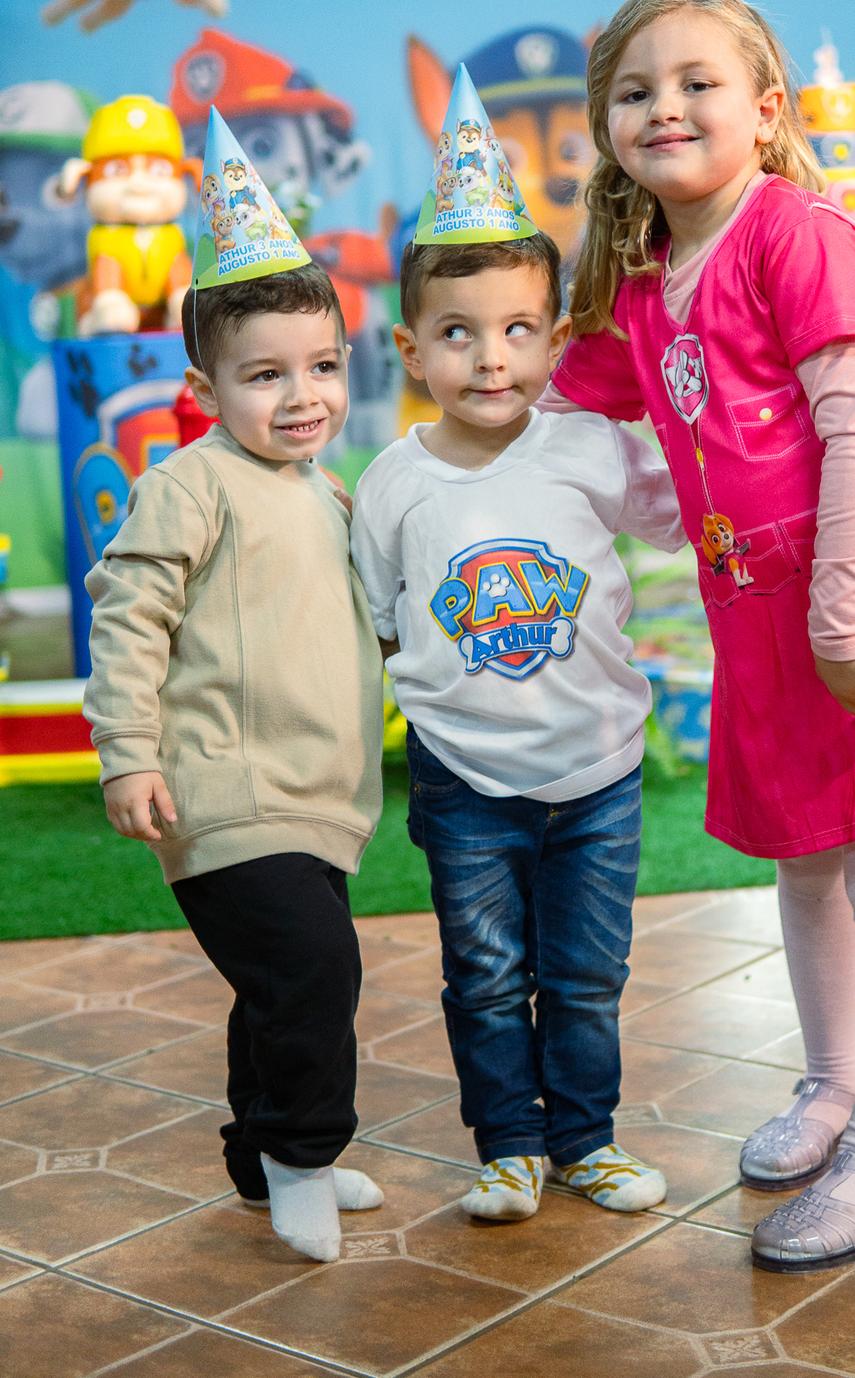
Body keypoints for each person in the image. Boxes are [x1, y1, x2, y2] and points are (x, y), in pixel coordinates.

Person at [545, 0, 855, 1273]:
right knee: (806, 860)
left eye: (696, 82)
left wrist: (840, 615)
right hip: (762, 608)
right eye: (635, 91)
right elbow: (586, 420)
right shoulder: (644, 283)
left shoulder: (796, 235)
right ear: (607, 129)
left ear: (765, 110)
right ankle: (831, 1086)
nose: (664, 107)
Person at [351, 65, 687, 1223]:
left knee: (587, 974)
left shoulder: (589, 445)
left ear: (554, 337)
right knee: (487, 978)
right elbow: (381, 614)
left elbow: (680, 509)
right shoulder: (393, 483)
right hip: (464, 778)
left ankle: (586, 1138)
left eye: (515, 331)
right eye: (458, 334)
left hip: (597, 769)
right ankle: (508, 1147)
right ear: (412, 349)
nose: (490, 358)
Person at [84, 110, 384, 1267]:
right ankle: (302, 1153)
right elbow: (132, 616)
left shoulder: (325, 490)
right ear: (205, 387)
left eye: (322, 367)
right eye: (265, 376)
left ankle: (263, 1152)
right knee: (314, 972)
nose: (301, 395)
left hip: (316, 796)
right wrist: (128, 753)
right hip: (226, 790)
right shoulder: (190, 484)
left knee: (280, 983)